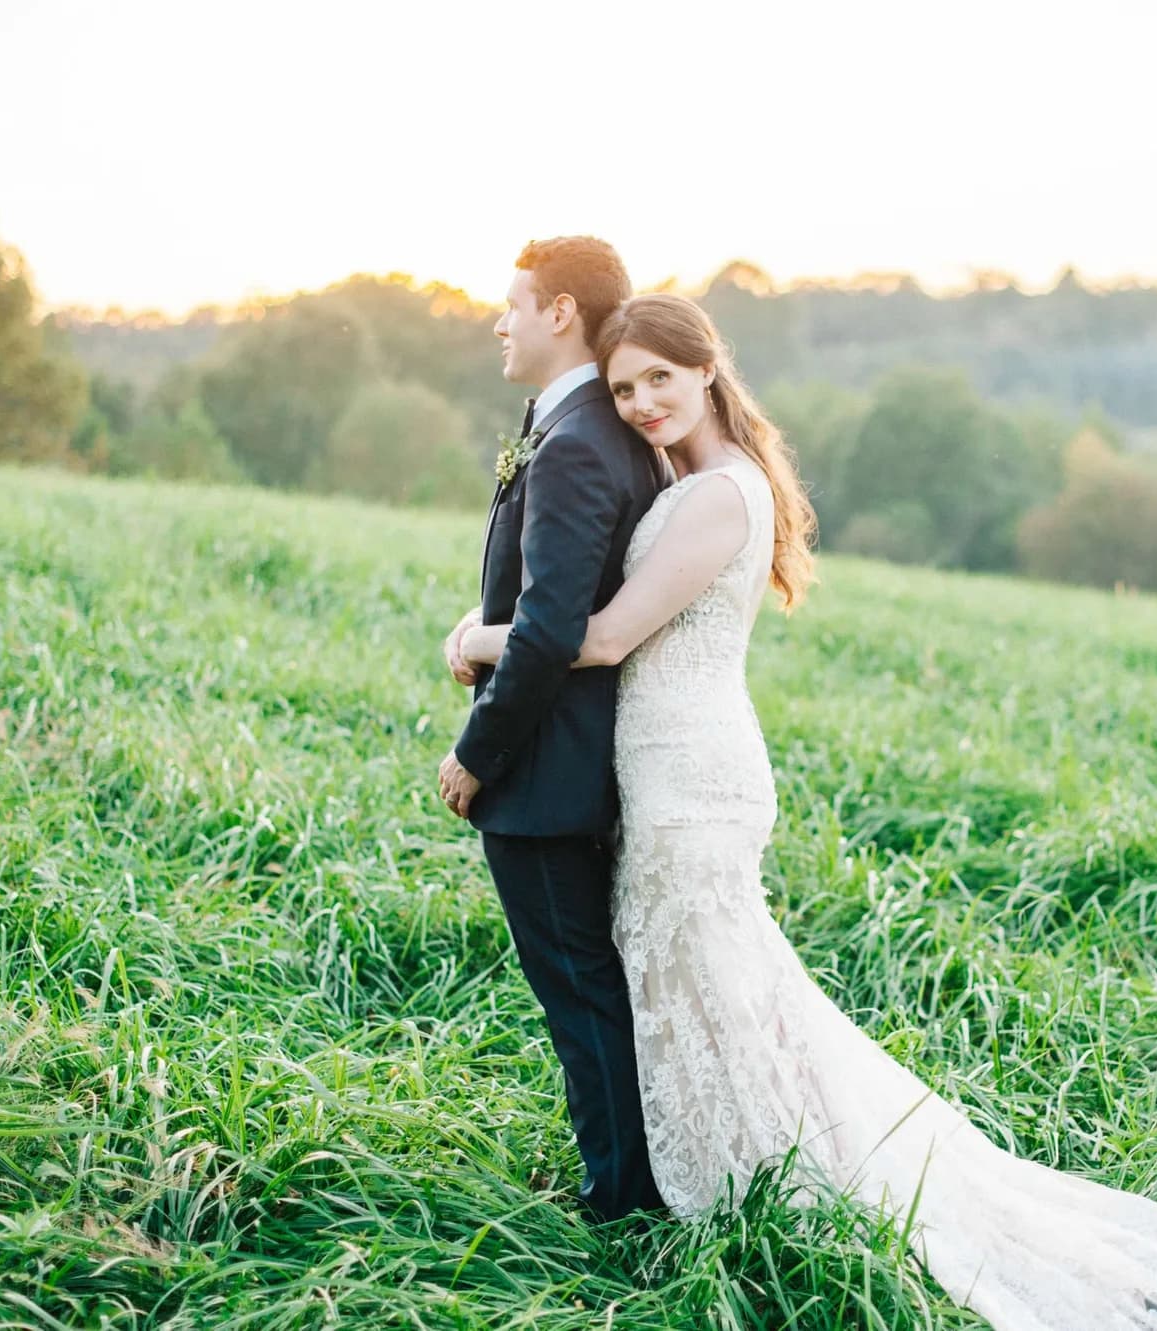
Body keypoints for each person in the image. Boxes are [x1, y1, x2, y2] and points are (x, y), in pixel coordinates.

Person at [452, 292, 1157, 1330]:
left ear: (707, 369)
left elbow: (604, 637)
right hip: (668, 764)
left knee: (711, 978)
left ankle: (759, 1177)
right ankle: (712, 1167)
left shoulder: (716, 495)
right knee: (701, 983)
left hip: (690, 773)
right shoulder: (693, 478)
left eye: (660, 376)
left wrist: (479, 640)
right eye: (622, 388)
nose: (642, 401)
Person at [436, 237, 666, 1221]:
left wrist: (474, 752)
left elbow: (547, 630)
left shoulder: (577, 441)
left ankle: (620, 1201)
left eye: (515, 304)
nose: (501, 322)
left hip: (545, 775)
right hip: (580, 765)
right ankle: (623, 1177)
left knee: (580, 998)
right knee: (590, 992)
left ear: (561, 310)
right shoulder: (591, 431)